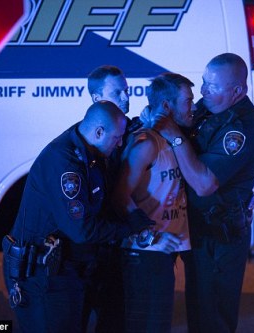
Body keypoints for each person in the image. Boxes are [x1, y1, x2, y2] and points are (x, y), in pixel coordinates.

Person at [2, 101, 155, 333]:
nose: (120, 143)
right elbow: (81, 230)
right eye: (117, 138)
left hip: (65, 269)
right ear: (99, 132)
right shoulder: (66, 163)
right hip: (43, 276)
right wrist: (129, 226)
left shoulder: (88, 147)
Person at [154, 53, 254, 332]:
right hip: (200, 231)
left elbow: (204, 184)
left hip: (220, 238)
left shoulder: (241, 130)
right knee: (197, 310)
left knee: (212, 318)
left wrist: (175, 137)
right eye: (204, 83)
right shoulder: (211, 107)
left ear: (237, 91)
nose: (203, 92)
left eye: (213, 87)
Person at [113, 73, 195, 332]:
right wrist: (152, 236)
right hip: (144, 256)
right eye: (187, 101)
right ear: (167, 106)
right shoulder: (147, 144)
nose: (193, 107)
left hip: (161, 254)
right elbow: (118, 197)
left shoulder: (175, 138)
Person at [84, 65, 143, 332]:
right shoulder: (89, 141)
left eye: (127, 90)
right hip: (95, 248)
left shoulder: (134, 130)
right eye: (118, 92)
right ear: (98, 99)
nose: (126, 97)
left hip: (118, 246)